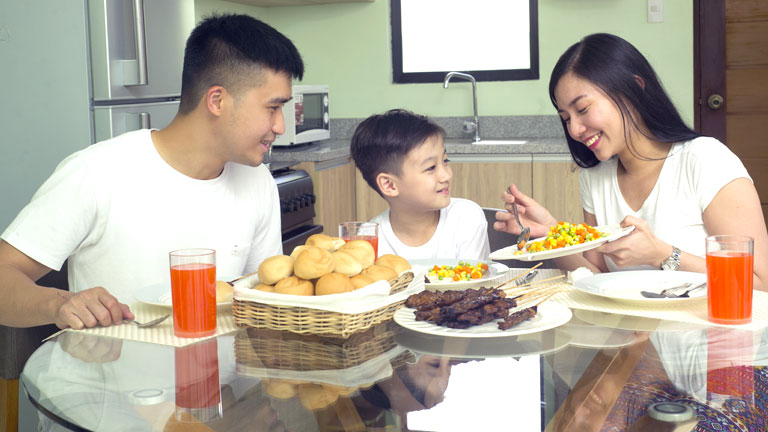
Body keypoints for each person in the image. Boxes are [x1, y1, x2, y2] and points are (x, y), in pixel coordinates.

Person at [0, 14, 304, 329]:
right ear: (217, 100)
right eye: (273, 108)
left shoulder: (258, 182)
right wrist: (58, 305)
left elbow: (264, 300)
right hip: (108, 374)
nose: (280, 126)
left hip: (223, 376)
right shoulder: (95, 173)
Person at [494, 33, 768, 291]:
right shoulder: (595, 177)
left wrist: (663, 255)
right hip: (633, 338)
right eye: (566, 118)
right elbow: (598, 277)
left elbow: (761, 284)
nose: (574, 129)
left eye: (583, 109)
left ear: (634, 89)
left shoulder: (706, 160)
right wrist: (551, 237)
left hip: (708, 337)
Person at [350, 109, 490, 261]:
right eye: (431, 168)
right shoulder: (369, 239)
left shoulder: (465, 217)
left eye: (445, 161)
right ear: (389, 185)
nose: (447, 175)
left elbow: (472, 283)